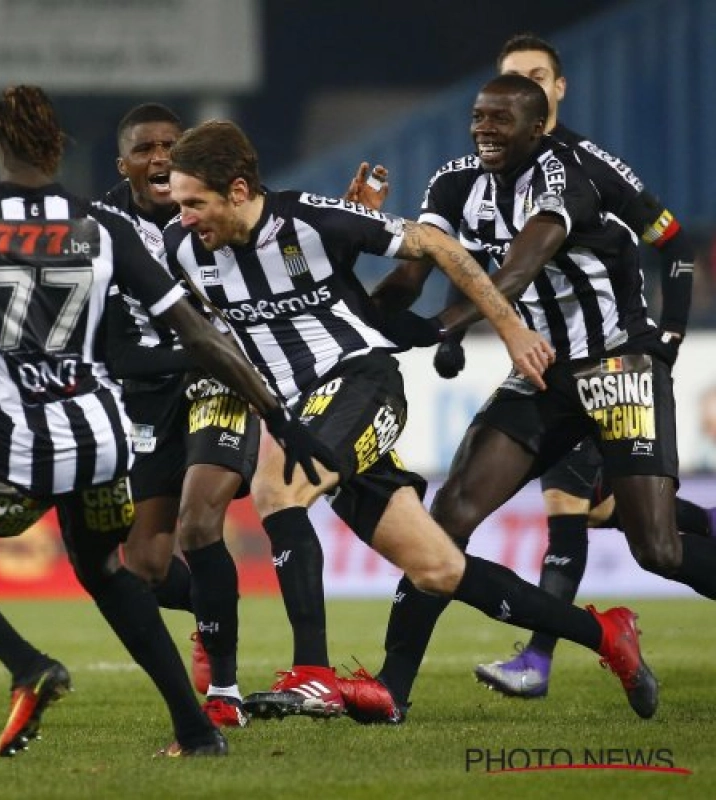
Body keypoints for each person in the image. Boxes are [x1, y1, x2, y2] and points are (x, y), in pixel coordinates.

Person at [0, 86, 330, 758]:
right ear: (60, 150)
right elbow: (200, 335)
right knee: (107, 570)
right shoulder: (105, 227)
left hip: (19, 449)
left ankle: (27, 665)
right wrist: (280, 416)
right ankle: (195, 731)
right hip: (105, 442)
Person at [161, 119, 656, 727]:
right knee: (439, 568)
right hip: (304, 415)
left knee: (275, 489)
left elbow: (441, 247)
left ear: (238, 191)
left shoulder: (311, 220)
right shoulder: (181, 248)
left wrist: (510, 327)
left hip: (361, 384)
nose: (183, 217)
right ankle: (605, 634)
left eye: (194, 202)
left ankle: (313, 674)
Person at [338, 74, 716, 725]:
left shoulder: (567, 175)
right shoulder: (454, 185)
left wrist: (443, 327)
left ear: (537, 127)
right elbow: (407, 277)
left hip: (619, 364)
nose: (484, 129)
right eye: (479, 117)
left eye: (500, 120)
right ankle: (392, 688)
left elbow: (518, 268)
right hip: (543, 372)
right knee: (448, 513)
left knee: (656, 547)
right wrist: (347, 297)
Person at [101, 103, 259, 728]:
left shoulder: (214, 206)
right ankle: (208, 608)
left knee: (200, 522)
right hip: (146, 393)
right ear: (125, 164)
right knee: (138, 567)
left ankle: (225, 689)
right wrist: (189, 350)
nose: (161, 156)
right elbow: (113, 347)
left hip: (216, 383)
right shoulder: (105, 229)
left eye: (171, 144)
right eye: (146, 148)